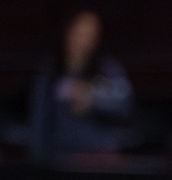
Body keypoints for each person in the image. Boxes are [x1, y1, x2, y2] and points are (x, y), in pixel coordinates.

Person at [28, 10, 135, 158]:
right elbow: (39, 120)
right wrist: (37, 157)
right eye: (81, 32)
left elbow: (125, 105)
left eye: (92, 34)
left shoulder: (108, 70)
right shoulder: (50, 73)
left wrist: (93, 99)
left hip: (99, 157)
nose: (86, 39)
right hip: (60, 158)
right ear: (68, 32)